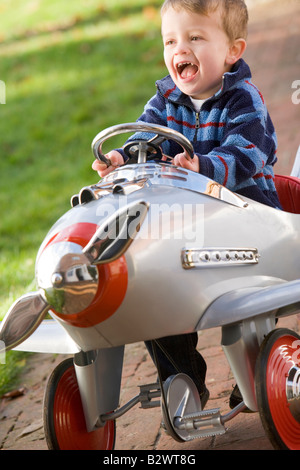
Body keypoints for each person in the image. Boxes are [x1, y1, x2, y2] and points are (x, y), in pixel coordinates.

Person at [92, 0, 282, 410]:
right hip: (188, 225)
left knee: (245, 301)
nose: (181, 48)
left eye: (196, 37)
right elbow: (144, 141)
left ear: (233, 50)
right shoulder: (164, 101)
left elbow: (247, 152)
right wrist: (122, 160)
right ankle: (183, 378)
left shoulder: (243, 100)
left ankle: (258, 372)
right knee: (148, 284)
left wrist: (206, 167)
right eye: (171, 40)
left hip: (245, 218)